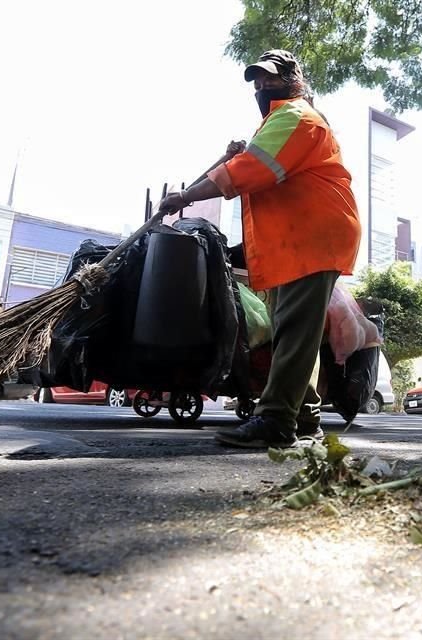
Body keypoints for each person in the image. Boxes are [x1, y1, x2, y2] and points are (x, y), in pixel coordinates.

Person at [158, 49, 361, 448]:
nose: (262, 86)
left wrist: (185, 197)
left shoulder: (296, 116)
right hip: (300, 239)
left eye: (271, 78)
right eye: (257, 80)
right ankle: (304, 417)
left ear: (295, 80)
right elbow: (256, 168)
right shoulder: (280, 123)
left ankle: (276, 421)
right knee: (293, 331)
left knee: (293, 328)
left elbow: (248, 172)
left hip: (314, 236)